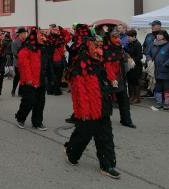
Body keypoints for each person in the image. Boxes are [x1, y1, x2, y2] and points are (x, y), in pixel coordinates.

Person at [64, 24, 120, 180]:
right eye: (96, 47)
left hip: (104, 105)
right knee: (82, 136)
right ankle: (71, 152)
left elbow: (109, 75)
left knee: (106, 137)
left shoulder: (101, 62)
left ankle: (107, 165)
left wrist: (112, 81)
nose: (99, 50)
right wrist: (83, 112)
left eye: (100, 46)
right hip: (88, 110)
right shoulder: (79, 66)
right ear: (88, 47)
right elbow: (79, 93)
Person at [15, 28, 53, 131]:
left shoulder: (43, 48)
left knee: (40, 102)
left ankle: (37, 122)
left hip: (41, 79)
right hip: (30, 80)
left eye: (43, 35)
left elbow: (47, 63)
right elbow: (24, 65)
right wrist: (28, 79)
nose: (42, 37)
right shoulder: (26, 48)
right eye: (40, 35)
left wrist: (50, 77)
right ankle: (20, 118)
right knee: (29, 101)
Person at [103, 27, 136, 128]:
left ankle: (126, 120)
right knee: (106, 100)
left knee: (124, 100)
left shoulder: (119, 46)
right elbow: (107, 65)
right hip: (108, 78)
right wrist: (112, 79)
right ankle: (104, 121)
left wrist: (129, 58)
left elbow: (123, 53)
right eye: (114, 35)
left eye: (118, 34)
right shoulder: (105, 48)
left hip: (120, 76)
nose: (117, 37)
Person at [149, 31, 169, 110]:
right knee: (158, 87)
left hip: (166, 69)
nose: (158, 36)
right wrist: (149, 59)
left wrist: (167, 63)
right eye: (158, 35)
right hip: (156, 69)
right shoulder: (153, 44)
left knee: (167, 87)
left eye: (160, 35)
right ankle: (159, 103)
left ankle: (167, 104)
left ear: (164, 36)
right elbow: (148, 53)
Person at [46, 25, 71, 95]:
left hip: (50, 60)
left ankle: (50, 90)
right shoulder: (61, 39)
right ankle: (56, 90)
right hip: (58, 60)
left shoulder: (48, 39)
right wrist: (62, 29)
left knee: (51, 76)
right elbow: (68, 36)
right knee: (58, 76)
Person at [142, 20, 162, 97]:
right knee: (148, 76)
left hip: (157, 60)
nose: (152, 27)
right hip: (148, 59)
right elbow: (144, 45)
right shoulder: (149, 35)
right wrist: (145, 53)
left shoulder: (162, 35)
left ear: (159, 26)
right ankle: (149, 91)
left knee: (157, 77)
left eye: (154, 25)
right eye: (152, 25)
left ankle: (157, 93)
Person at [125, 30, 143, 104]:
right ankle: (131, 96)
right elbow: (127, 52)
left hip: (136, 66)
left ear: (134, 37)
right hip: (130, 65)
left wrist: (132, 60)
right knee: (130, 81)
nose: (128, 38)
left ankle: (137, 97)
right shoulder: (129, 43)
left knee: (135, 81)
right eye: (127, 37)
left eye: (129, 37)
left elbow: (140, 56)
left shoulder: (137, 44)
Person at [11, 27, 27, 97]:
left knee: (23, 77)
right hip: (18, 63)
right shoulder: (15, 42)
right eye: (24, 33)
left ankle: (21, 92)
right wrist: (23, 56)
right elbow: (15, 53)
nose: (25, 34)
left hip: (25, 63)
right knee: (17, 77)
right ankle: (13, 89)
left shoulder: (25, 41)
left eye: (25, 33)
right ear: (20, 34)